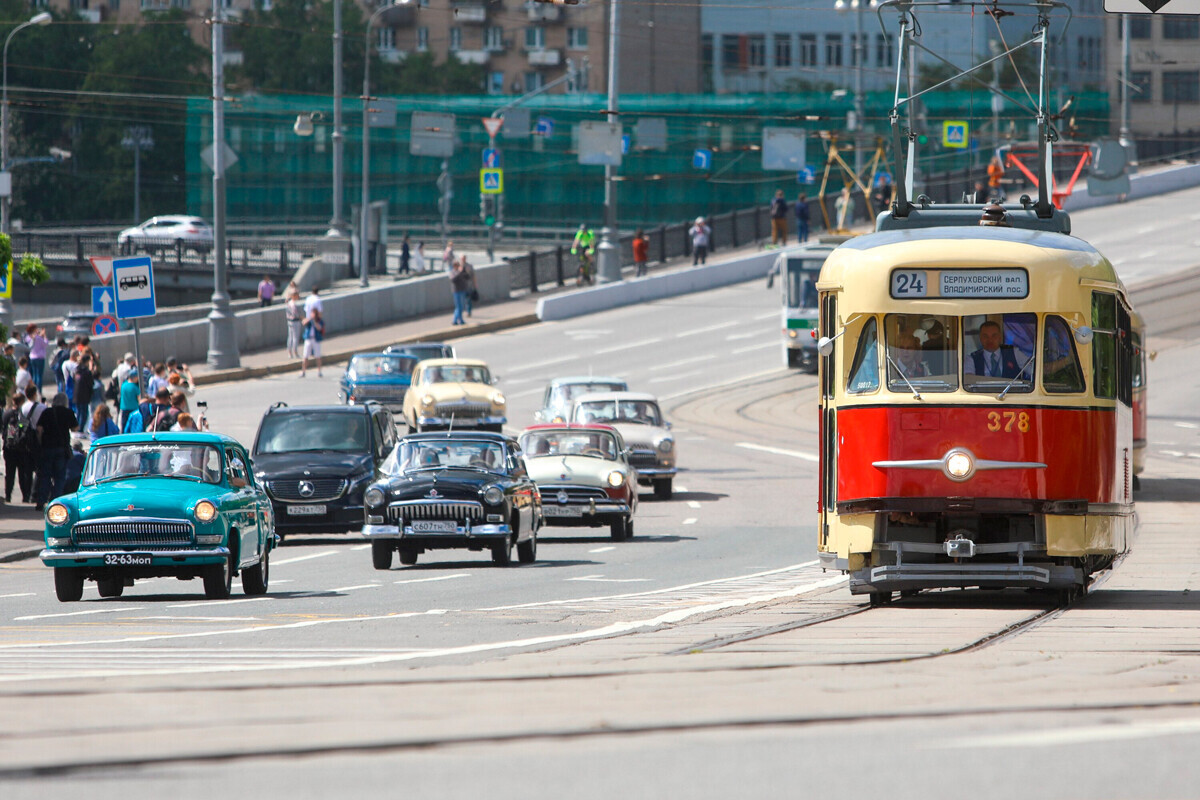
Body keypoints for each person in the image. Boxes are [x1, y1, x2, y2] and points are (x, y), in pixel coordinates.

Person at [35, 393, 76, 510]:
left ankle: (41, 501)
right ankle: (54, 502)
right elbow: (75, 428)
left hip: (47, 448)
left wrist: (40, 441)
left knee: (45, 476)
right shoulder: (68, 412)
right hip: (62, 448)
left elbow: (39, 428)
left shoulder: (47, 412)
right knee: (59, 477)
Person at [3, 392, 35, 503]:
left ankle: (8, 495)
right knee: (23, 473)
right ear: (22, 402)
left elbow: (4, 431)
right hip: (22, 449)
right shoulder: (23, 414)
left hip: (9, 448)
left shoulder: (7, 414)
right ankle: (25, 496)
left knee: (9, 473)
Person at [300, 307, 325, 377]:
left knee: (318, 356)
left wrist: (314, 321)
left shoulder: (319, 321)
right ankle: (303, 371)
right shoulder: (309, 320)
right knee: (305, 356)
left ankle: (319, 371)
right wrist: (309, 319)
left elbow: (319, 328)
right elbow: (303, 323)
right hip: (308, 339)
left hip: (316, 339)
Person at [72, 355, 95, 430]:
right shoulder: (86, 372)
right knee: (84, 413)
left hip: (76, 395)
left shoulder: (76, 370)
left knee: (78, 412)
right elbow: (90, 384)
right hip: (84, 396)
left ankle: (77, 427)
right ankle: (80, 429)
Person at [24, 324, 48, 393]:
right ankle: (39, 391)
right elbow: (45, 343)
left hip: (32, 357)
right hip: (40, 357)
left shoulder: (28, 337)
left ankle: (34, 390)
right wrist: (44, 335)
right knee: (39, 375)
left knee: (34, 375)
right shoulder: (38, 338)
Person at [449, 259, 471, 326]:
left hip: (462, 290)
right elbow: (453, 280)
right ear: (453, 266)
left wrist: (465, 271)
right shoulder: (452, 272)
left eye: (458, 265)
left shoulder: (460, 272)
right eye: (456, 265)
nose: (457, 266)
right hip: (456, 291)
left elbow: (467, 277)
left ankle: (455, 320)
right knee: (459, 307)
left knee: (461, 306)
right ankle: (459, 320)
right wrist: (459, 272)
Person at [285, 284, 303, 359]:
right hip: (295, 321)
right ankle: (295, 352)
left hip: (289, 321)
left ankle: (289, 352)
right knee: (295, 337)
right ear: (294, 296)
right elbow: (296, 314)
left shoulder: (288, 303)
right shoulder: (294, 304)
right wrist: (302, 318)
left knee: (290, 337)